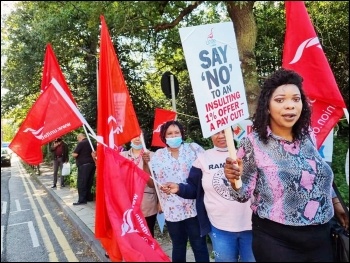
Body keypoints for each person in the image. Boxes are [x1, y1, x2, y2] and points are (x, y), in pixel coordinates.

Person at [223, 68, 349, 262]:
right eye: (280, 100)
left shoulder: (308, 136)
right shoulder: (253, 143)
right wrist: (234, 180)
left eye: (296, 99)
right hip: (277, 240)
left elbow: (315, 175)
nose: (290, 106)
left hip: (321, 236)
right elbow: (241, 194)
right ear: (267, 106)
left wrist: (337, 204)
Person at [161, 130, 255, 262]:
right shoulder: (203, 158)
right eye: (216, 132)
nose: (221, 136)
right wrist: (179, 188)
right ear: (210, 135)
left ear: (232, 132)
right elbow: (194, 188)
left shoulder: (249, 155)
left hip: (251, 225)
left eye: (225, 131)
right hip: (220, 228)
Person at [142, 120, 210, 262]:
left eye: (176, 133)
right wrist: (145, 164)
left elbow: (208, 172)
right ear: (164, 137)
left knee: (199, 245)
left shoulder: (194, 149)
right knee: (178, 246)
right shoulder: (158, 156)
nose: (174, 136)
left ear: (182, 134)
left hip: (194, 208)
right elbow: (150, 183)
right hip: (172, 210)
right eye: (170, 134)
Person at [120, 133, 158, 237]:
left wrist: (146, 164)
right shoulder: (121, 156)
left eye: (140, 136)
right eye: (134, 135)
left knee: (147, 234)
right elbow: (112, 177)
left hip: (146, 204)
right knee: (131, 236)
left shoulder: (153, 156)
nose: (137, 138)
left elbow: (152, 184)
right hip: (126, 203)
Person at [72, 133, 96, 205]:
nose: (78, 141)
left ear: (80, 137)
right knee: (89, 182)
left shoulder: (81, 143)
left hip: (84, 165)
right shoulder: (92, 142)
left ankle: (82, 200)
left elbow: (75, 154)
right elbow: (95, 152)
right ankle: (89, 198)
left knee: (82, 182)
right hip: (92, 165)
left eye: (78, 139)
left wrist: (72, 154)